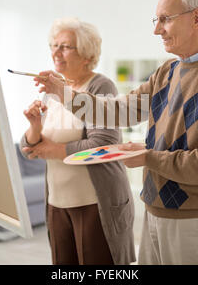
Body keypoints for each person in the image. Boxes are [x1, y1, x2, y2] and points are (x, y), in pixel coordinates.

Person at [33, 0, 198, 265]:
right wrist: (63, 93)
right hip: (154, 210)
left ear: (196, 18)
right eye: (156, 20)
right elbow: (119, 111)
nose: (156, 29)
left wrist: (149, 157)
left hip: (193, 218)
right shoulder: (168, 71)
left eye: (165, 19)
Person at [20, 17, 136, 265]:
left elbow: (102, 144)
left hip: (94, 203)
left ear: (86, 54)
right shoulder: (52, 89)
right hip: (57, 204)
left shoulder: (100, 86)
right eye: (54, 45)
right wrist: (34, 126)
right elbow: (29, 150)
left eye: (65, 46)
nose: (56, 52)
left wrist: (51, 150)